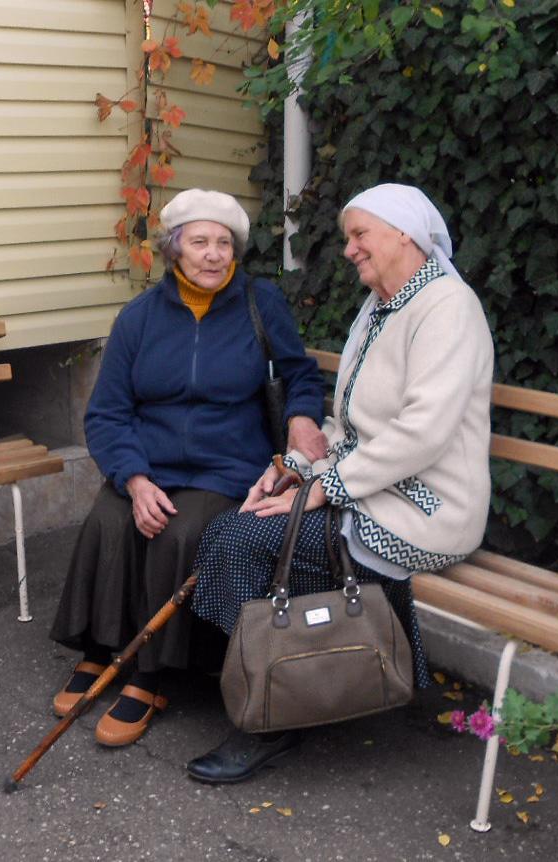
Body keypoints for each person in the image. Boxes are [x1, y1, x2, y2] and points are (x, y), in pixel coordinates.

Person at [185, 183, 495, 783]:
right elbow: (349, 427)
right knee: (235, 528)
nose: (349, 249)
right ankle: (286, 679)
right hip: (371, 489)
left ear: (404, 234)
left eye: (359, 235)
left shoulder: (447, 307)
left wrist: (324, 489)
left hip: (426, 509)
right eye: (349, 237)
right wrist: (292, 470)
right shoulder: (380, 307)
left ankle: (275, 715)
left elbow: (422, 433)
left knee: (245, 543)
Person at [47, 188, 327, 747]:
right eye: (200, 242)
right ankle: (100, 649)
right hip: (149, 462)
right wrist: (134, 478)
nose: (213, 254)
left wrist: (301, 417)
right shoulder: (140, 317)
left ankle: (150, 675)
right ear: (174, 248)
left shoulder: (260, 303)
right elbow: (107, 412)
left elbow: (300, 373)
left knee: (178, 531)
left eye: (224, 243)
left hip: (226, 466)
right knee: (110, 520)